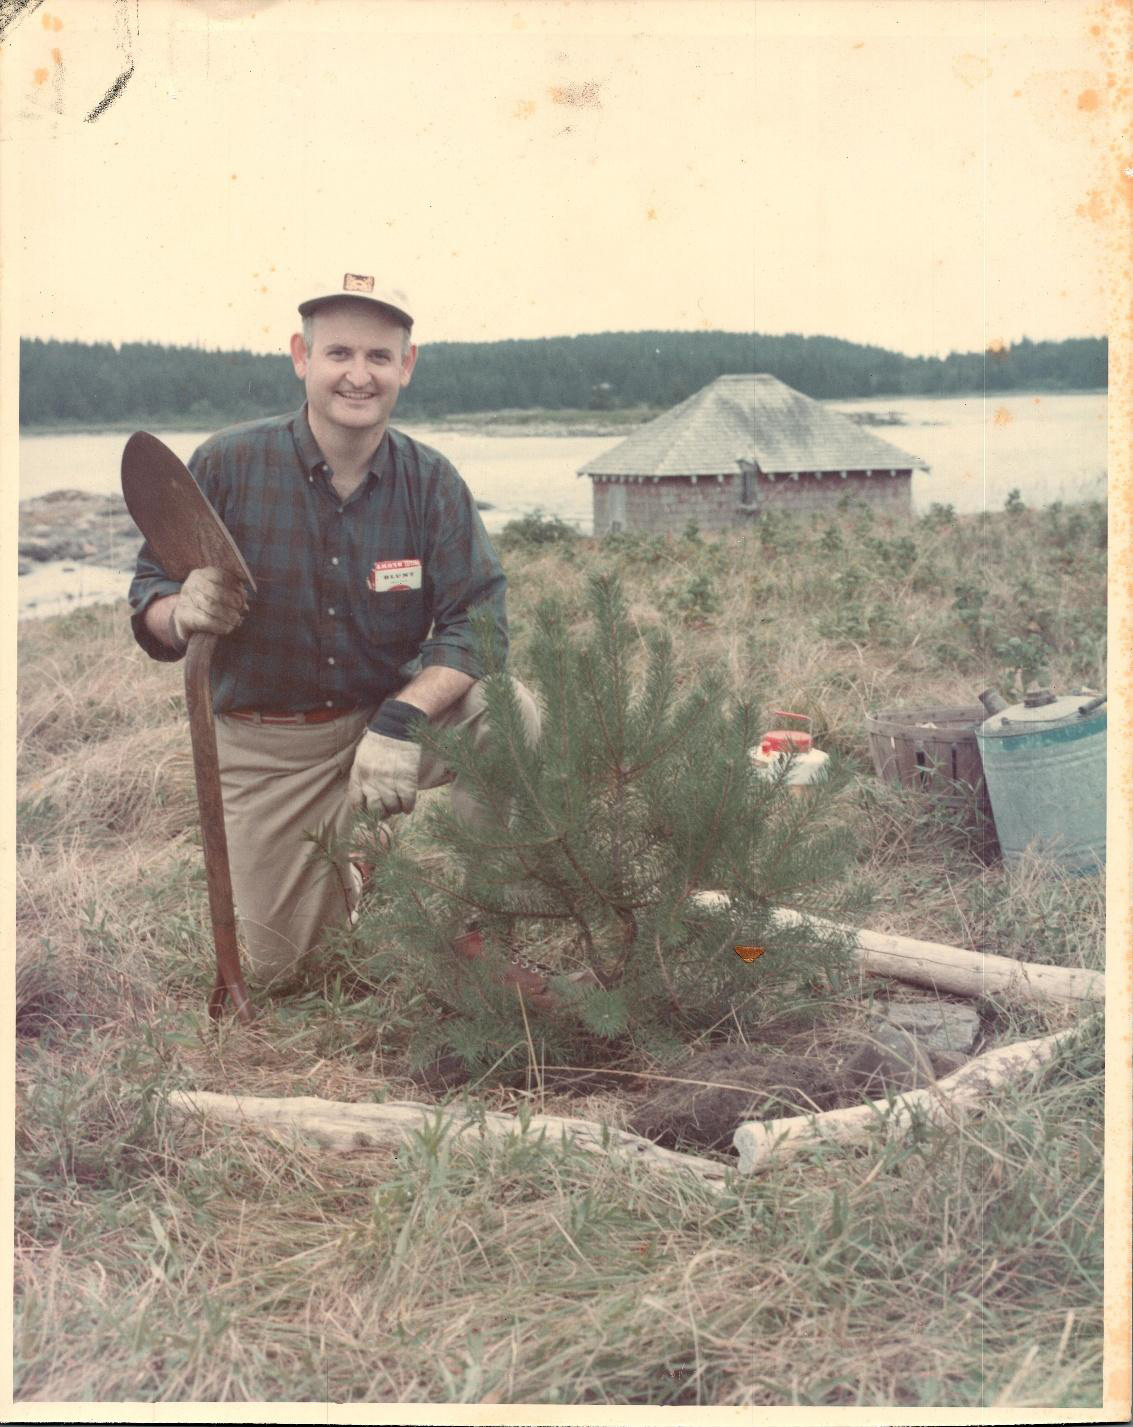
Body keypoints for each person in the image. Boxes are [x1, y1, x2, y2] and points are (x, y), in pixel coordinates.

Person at [128, 271, 549, 1001]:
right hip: (266, 751)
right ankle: (357, 858)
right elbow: (148, 600)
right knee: (279, 972)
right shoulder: (228, 464)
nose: (358, 375)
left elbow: (479, 624)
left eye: (379, 358)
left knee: (508, 707)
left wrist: (400, 720)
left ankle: (482, 932)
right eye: (339, 354)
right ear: (301, 356)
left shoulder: (432, 483)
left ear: (405, 367)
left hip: (383, 730)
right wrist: (180, 609)